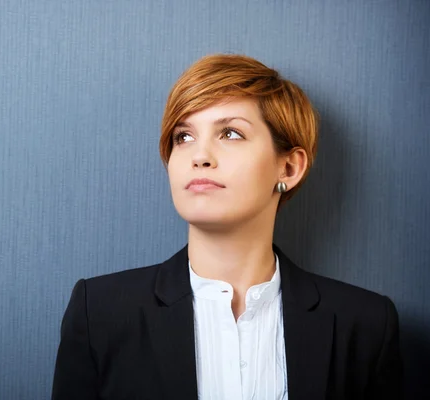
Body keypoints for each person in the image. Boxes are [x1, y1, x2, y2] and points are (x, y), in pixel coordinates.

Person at [51, 54, 403, 400]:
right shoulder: (100, 313)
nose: (199, 155)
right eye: (183, 137)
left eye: (230, 133)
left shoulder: (366, 326)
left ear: (289, 169)